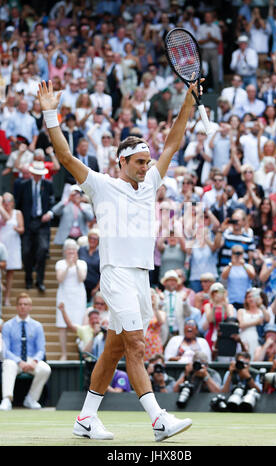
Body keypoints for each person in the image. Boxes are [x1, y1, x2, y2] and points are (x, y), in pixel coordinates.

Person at [37, 79, 199, 441]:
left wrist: (188, 101)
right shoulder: (99, 184)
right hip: (117, 275)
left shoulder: (151, 182)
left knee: (112, 350)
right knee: (136, 346)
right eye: (139, 162)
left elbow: (172, 141)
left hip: (142, 277)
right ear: (122, 161)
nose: (146, 166)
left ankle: (85, 419)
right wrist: (50, 112)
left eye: (147, 161)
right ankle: (158, 420)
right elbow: (65, 156)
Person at [0, 293, 51, 411]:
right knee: (7, 364)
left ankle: (31, 399)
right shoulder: (7, 326)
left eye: (25, 304)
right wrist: (19, 362)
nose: (23, 306)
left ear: (30, 307)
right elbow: (6, 350)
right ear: (16, 307)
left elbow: (41, 349)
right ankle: (7, 399)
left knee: (45, 368)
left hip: (31, 360)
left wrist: (34, 361)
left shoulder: (37, 326)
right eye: (20, 304)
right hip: (14, 360)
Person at [16, 160, 55, 292]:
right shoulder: (23, 185)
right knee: (26, 252)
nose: (38, 176)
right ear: (32, 174)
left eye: (40, 174)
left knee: (43, 249)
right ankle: (28, 279)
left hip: (42, 223)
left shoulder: (48, 185)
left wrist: (49, 213)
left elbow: (52, 202)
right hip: (27, 223)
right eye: (36, 174)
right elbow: (18, 204)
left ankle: (40, 281)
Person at [55, 239, 87, 361]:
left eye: (73, 250)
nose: (71, 252)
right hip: (64, 294)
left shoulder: (82, 263)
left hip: (78, 295)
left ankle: (82, 351)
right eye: (69, 250)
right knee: (62, 324)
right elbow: (59, 279)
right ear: (65, 251)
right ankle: (64, 353)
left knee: (79, 323)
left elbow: (81, 278)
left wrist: (76, 264)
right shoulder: (60, 263)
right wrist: (68, 266)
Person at [0, 193, 24, 306]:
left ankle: (7, 298)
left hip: (13, 245)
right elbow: (6, 218)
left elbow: (22, 228)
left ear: (13, 203)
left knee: (10, 272)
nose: (6, 204)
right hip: (2, 245)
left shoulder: (18, 213)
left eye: (9, 201)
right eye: (4, 201)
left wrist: (17, 229)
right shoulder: (1, 212)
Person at [202, 282, 235, 355]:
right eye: (215, 293)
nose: (217, 295)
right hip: (212, 334)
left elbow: (231, 319)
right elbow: (210, 319)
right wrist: (214, 305)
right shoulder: (208, 306)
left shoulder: (229, 306)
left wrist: (225, 304)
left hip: (224, 335)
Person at [237, 288, 270, 359]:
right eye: (249, 297)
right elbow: (241, 325)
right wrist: (256, 322)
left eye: (253, 296)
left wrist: (261, 305)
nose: (251, 299)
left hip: (257, 338)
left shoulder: (262, 311)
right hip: (244, 337)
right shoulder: (241, 311)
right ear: (246, 299)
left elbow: (267, 319)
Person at [221, 244, 256, 311]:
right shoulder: (228, 267)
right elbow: (224, 277)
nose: (237, 255)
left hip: (246, 300)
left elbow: (252, 276)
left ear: (243, 254)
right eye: (235, 253)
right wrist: (231, 264)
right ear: (232, 254)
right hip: (232, 300)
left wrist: (243, 265)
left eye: (239, 253)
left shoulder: (248, 266)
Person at [78, 228, 100, 304]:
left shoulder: (101, 253)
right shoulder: (81, 250)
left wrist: (97, 288)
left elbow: (103, 273)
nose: (92, 240)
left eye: (95, 238)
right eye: (90, 238)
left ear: (99, 240)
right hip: (80, 285)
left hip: (95, 287)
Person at [144, 289, 166, 363]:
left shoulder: (161, 312)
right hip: (142, 342)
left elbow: (161, 321)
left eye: (152, 296)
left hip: (154, 343)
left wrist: (155, 307)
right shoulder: (142, 313)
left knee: (155, 364)